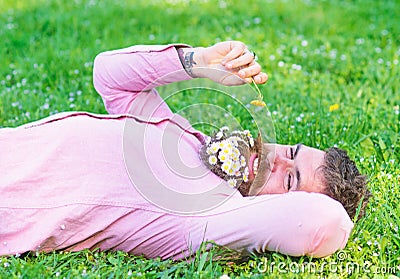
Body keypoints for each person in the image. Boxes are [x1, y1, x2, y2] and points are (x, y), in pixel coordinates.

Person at [0, 41, 368, 260]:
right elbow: (109, 76)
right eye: (291, 149)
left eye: (290, 179)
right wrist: (199, 62)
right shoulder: (185, 138)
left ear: (280, 206)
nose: (275, 159)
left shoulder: (211, 216)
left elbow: (326, 221)